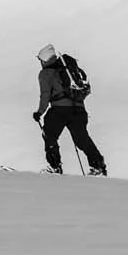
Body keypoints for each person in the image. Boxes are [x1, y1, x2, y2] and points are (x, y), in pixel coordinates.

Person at [32, 44, 106, 175]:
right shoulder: (68, 69)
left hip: (59, 110)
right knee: (82, 139)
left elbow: (45, 94)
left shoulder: (45, 73)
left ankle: (55, 167)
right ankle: (98, 165)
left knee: (49, 135)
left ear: (44, 60)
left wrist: (39, 112)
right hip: (79, 109)